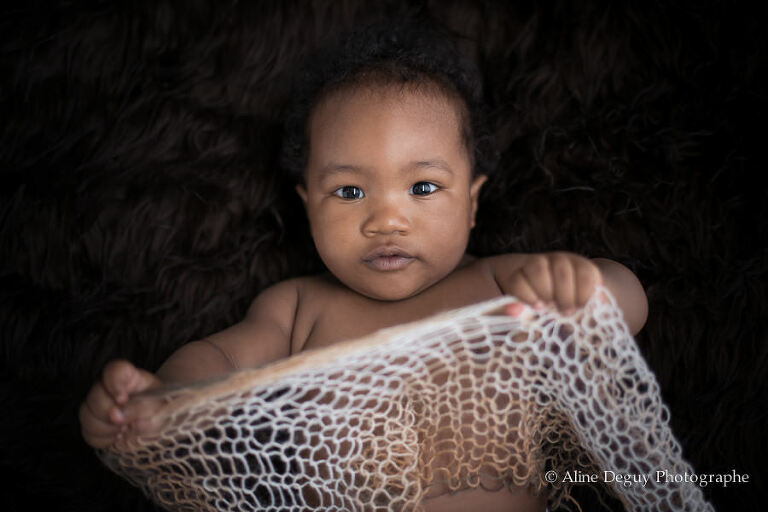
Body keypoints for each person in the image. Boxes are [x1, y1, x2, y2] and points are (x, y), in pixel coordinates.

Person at [80, 20, 648, 512]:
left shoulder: (501, 284)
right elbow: (222, 357)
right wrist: (162, 402)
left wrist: (583, 290)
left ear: (473, 201)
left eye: (423, 186)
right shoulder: (299, 307)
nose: (386, 220)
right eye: (349, 191)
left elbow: (626, 309)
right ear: (308, 204)